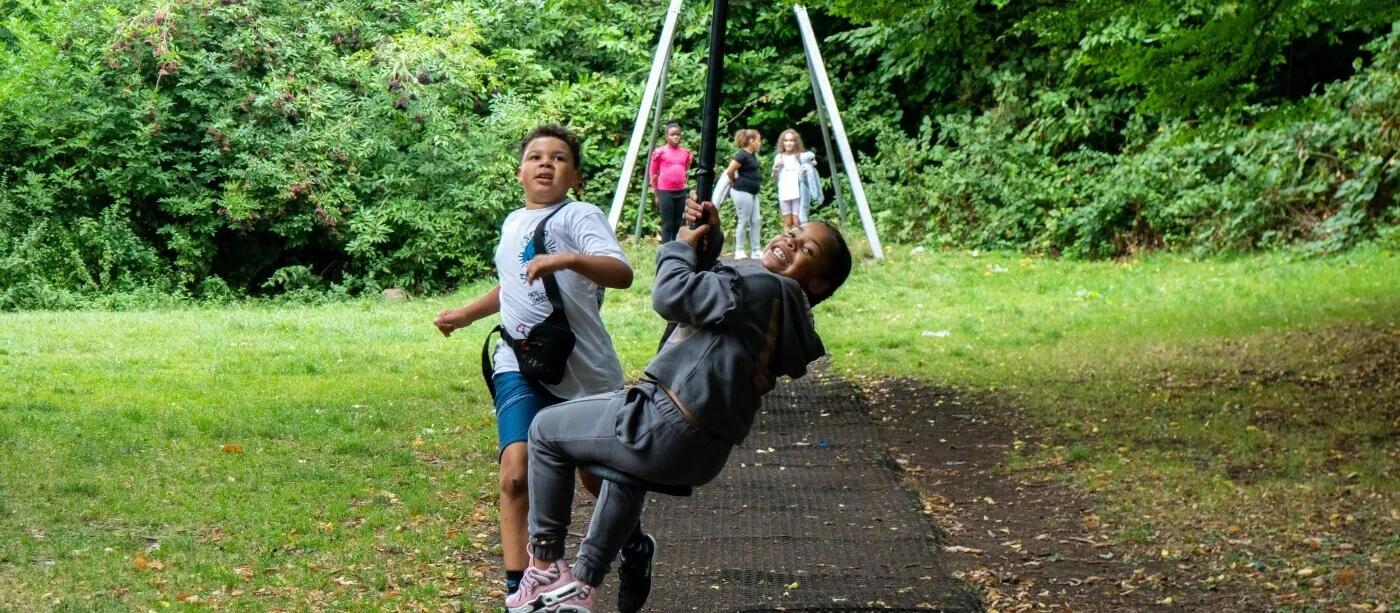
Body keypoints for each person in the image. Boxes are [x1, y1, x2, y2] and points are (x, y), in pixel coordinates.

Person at [504, 197, 854, 613]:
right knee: (625, 472)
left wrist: (681, 246)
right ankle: (581, 585)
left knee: (545, 430)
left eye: (806, 250)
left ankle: (543, 564)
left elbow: (672, 296)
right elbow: (717, 292)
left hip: (666, 421)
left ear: (816, 285)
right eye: (794, 233)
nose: (790, 242)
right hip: (703, 451)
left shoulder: (764, 287)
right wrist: (711, 240)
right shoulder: (782, 309)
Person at [431, 124, 655, 610]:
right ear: (519, 173)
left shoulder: (580, 214)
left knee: (597, 482)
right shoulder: (512, 223)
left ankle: (634, 546)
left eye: (558, 158)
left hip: (586, 372)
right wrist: (467, 314)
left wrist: (567, 259)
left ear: (574, 175)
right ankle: (521, 593)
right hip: (521, 361)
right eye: (535, 157)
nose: (546, 164)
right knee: (515, 474)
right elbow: (512, 286)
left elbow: (622, 272)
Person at [647, 121, 693, 243]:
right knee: (667, 223)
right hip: (665, 192)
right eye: (672, 134)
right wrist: (656, 193)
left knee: (678, 222)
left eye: (678, 134)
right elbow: (652, 173)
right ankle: (665, 249)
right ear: (666, 137)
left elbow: (686, 169)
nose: (676, 137)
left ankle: (676, 248)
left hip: (680, 191)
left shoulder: (685, 153)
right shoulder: (660, 152)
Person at [723, 128, 763, 259]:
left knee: (756, 220)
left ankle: (756, 250)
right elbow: (730, 170)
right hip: (742, 191)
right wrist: (734, 181)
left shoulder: (752, 155)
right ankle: (739, 250)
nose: (760, 143)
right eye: (759, 140)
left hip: (752, 193)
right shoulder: (742, 155)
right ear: (751, 141)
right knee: (744, 220)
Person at [773, 128, 805, 231]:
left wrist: (805, 173)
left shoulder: (800, 156)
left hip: (798, 192)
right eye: (786, 140)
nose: (788, 143)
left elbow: (809, 169)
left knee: (797, 221)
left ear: (796, 142)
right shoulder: (779, 156)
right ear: (782, 142)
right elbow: (775, 178)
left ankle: (798, 243)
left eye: (791, 140)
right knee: (788, 222)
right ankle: (786, 243)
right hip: (784, 193)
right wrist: (775, 167)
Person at [797, 150, 823, 224]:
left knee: (806, 206)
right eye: (812, 160)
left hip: (808, 188)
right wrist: (814, 193)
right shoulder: (806, 167)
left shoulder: (812, 169)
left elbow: (817, 182)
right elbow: (804, 179)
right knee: (804, 205)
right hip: (805, 188)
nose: (814, 162)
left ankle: (804, 220)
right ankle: (803, 221)